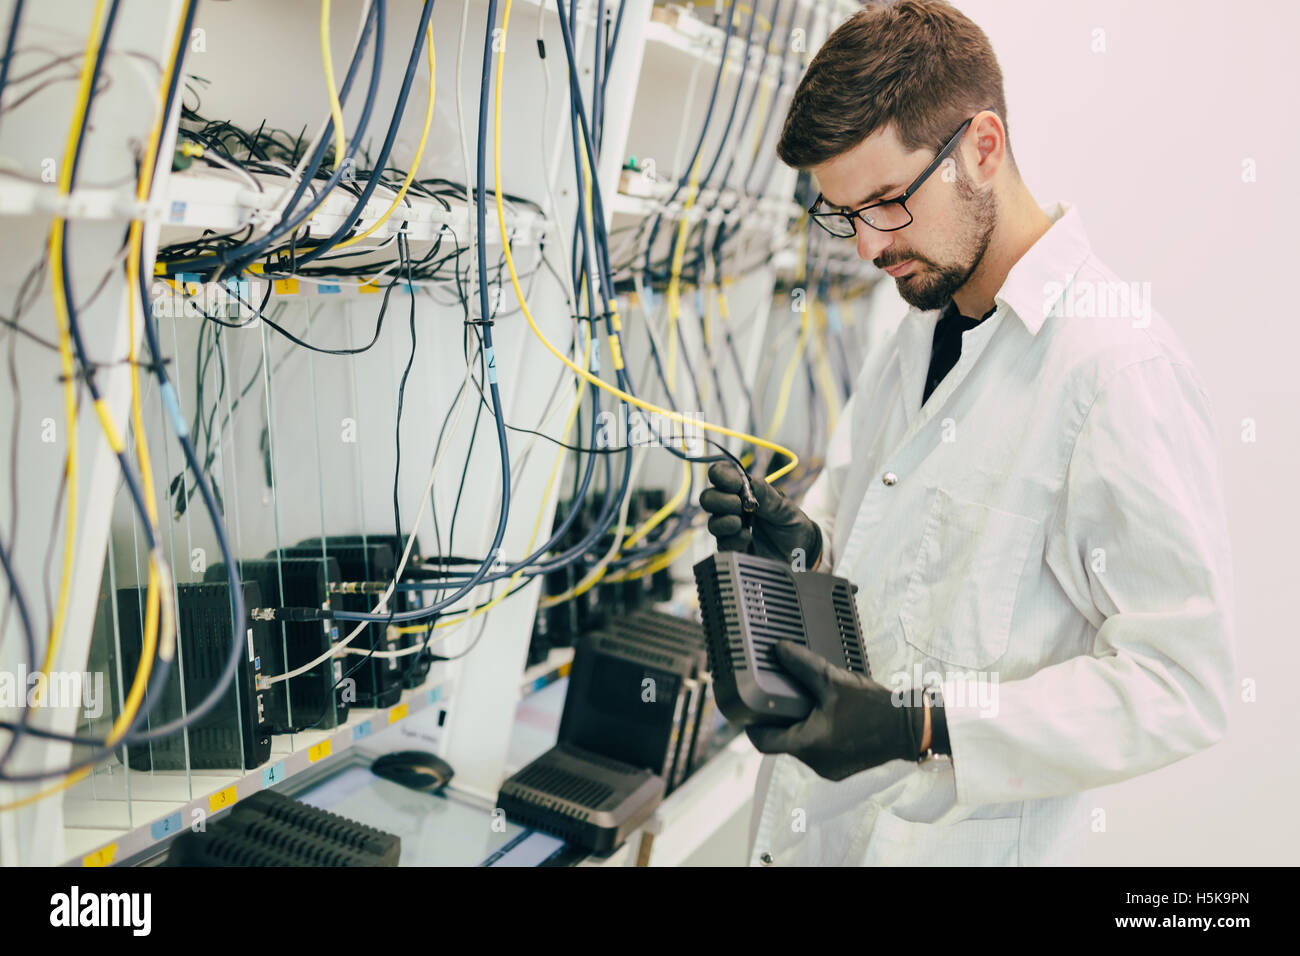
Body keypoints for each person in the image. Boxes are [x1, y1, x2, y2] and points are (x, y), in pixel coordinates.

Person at [699, 0, 1235, 866]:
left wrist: (925, 725)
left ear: (982, 148)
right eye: (844, 214)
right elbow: (894, 551)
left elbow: (1184, 684)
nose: (868, 247)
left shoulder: (1116, 372)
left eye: (886, 202)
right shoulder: (920, 326)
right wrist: (805, 545)